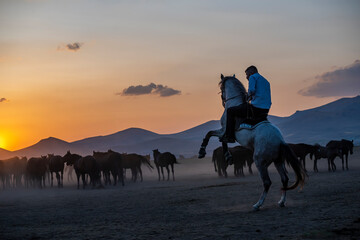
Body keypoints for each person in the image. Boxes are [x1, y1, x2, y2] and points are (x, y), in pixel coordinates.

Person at [220, 65, 272, 143]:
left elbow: (252, 90)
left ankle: (229, 136)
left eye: (247, 75)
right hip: (265, 110)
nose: (247, 77)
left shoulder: (253, 77)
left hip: (255, 108)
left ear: (252, 72)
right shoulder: (265, 81)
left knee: (230, 111)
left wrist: (247, 96)